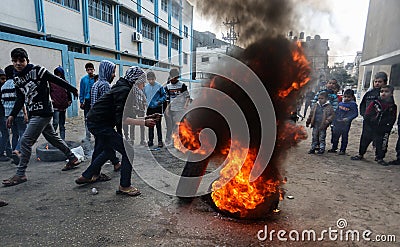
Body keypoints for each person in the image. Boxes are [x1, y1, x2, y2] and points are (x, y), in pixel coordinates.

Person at [2, 48, 80, 187]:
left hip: (43, 111)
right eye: (15, 61)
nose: (18, 63)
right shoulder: (16, 78)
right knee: (53, 138)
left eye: (21, 60)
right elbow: (20, 98)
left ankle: (20, 174)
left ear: (27, 60)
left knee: (25, 141)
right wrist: (13, 115)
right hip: (33, 112)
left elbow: (56, 79)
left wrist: (72, 89)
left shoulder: (38, 70)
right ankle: (72, 158)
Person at [75, 66, 159, 196]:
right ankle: (124, 186)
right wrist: (144, 122)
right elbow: (124, 119)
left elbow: (126, 114)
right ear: (135, 80)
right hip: (100, 124)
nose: (144, 85)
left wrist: (148, 117)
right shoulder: (124, 90)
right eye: (142, 81)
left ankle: (87, 175)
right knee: (128, 151)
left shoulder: (124, 87)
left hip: (97, 122)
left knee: (108, 150)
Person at [351, 85, 397, 166]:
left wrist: (388, 127)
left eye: (386, 92)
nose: (383, 93)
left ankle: (380, 158)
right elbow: (368, 114)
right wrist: (369, 124)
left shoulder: (392, 106)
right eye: (382, 91)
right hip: (370, 127)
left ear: (391, 94)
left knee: (382, 144)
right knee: (364, 141)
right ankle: (360, 154)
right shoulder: (375, 103)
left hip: (383, 129)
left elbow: (393, 118)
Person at [90, 60, 121, 173]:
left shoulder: (96, 84)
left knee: (104, 145)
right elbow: (107, 106)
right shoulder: (106, 86)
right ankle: (93, 173)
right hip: (102, 122)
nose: (114, 75)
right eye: (113, 72)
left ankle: (116, 162)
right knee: (101, 147)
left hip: (95, 121)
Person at [1, 65, 28, 165]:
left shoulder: (3, 87)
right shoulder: (17, 83)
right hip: (19, 113)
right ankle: (17, 150)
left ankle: (14, 152)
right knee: (24, 133)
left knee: (15, 134)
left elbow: (2, 101)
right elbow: (21, 101)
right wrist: (25, 114)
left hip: (8, 115)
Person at [328, 89, 358, 155]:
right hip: (338, 122)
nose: (346, 98)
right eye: (345, 96)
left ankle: (342, 150)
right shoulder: (341, 103)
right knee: (335, 136)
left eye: (348, 97)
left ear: (352, 97)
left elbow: (355, 114)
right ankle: (334, 148)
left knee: (344, 137)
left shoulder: (353, 105)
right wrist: (333, 120)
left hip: (345, 124)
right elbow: (336, 112)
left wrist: (348, 118)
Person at [164, 69, 190, 145]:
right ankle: (174, 142)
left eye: (175, 78)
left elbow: (187, 96)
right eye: (172, 77)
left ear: (177, 77)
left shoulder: (182, 85)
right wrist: (167, 109)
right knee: (172, 126)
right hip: (172, 109)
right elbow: (167, 99)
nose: (173, 79)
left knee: (180, 126)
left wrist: (185, 105)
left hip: (181, 109)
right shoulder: (168, 87)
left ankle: (182, 142)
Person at [143, 71, 166, 147]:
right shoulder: (145, 87)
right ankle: (150, 141)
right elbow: (144, 97)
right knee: (150, 125)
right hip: (150, 108)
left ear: (155, 78)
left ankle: (160, 141)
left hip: (158, 108)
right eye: (149, 79)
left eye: (152, 79)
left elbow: (164, 96)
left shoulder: (159, 86)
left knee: (158, 125)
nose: (151, 81)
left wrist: (160, 101)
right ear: (147, 80)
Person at [50, 66, 72, 140]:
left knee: (62, 124)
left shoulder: (65, 83)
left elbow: (69, 93)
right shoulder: (51, 83)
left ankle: (63, 140)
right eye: (57, 74)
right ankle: (53, 140)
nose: (58, 75)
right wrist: (50, 100)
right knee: (55, 123)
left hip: (63, 106)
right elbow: (48, 93)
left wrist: (69, 100)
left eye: (59, 74)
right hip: (55, 106)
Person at [79, 62, 96, 142]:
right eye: (88, 70)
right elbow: (81, 91)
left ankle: (96, 135)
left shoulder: (97, 79)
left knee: (95, 118)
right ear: (86, 70)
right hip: (87, 101)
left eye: (91, 69)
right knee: (86, 119)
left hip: (95, 101)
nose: (90, 71)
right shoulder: (83, 79)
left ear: (93, 70)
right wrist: (81, 101)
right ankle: (88, 136)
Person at [0, 68, 11, 162]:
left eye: (5, 79)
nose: (4, 81)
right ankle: (1, 154)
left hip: (3, 114)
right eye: (2, 79)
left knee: (5, 133)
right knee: (5, 134)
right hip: (1, 115)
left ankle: (9, 151)